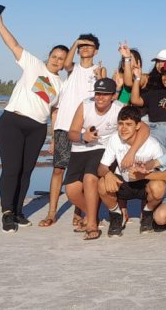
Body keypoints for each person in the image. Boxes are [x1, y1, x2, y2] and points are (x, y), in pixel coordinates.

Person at [0, 9, 67, 233]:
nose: (57, 60)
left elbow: (55, 112)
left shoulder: (61, 85)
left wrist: (54, 137)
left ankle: (18, 211)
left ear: (64, 64)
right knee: (12, 169)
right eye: (54, 56)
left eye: (61, 59)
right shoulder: (34, 65)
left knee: (26, 172)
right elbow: (13, 45)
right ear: (49, 56)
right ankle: (6, 213)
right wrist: (0, 25)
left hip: (37, 129)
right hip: (13, 122)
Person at [43, 32, 105, 229]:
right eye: (82, 46)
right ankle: (51, 213)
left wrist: (99, 78)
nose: (85, 48)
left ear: (96, 50)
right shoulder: (73, 69)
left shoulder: (99, 70)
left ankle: (80, 212)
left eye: (89, 45)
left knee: (81, 174)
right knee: (58, 169)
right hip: (63, 127)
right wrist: (76, 42)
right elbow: (67, 62)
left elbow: (103, 97)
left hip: (85, 129)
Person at [65, 77, 128, 241]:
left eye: (105, 94)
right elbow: (71, 133)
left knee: (90, 178)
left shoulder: (120, 108)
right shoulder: (85, 105)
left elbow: (137, 127)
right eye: (98, 93)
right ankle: (93, 215)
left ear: (114, 96)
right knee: (71, 191)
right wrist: (82, 136)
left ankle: (92, 224)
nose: (100, 97)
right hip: (80, 148)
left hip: (103, 148)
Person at [96, 106, 166, 236]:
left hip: (144, 184)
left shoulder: (152, 145)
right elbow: (101, 168)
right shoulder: (115, 139)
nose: (123, 128)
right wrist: (108, 174)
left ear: (138, 126)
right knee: (102, 184)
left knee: (159, 186)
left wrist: (144, 175)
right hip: (123, 182)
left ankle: (147, 212)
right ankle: (116, 215)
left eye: (129, 124)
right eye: (121, 124)